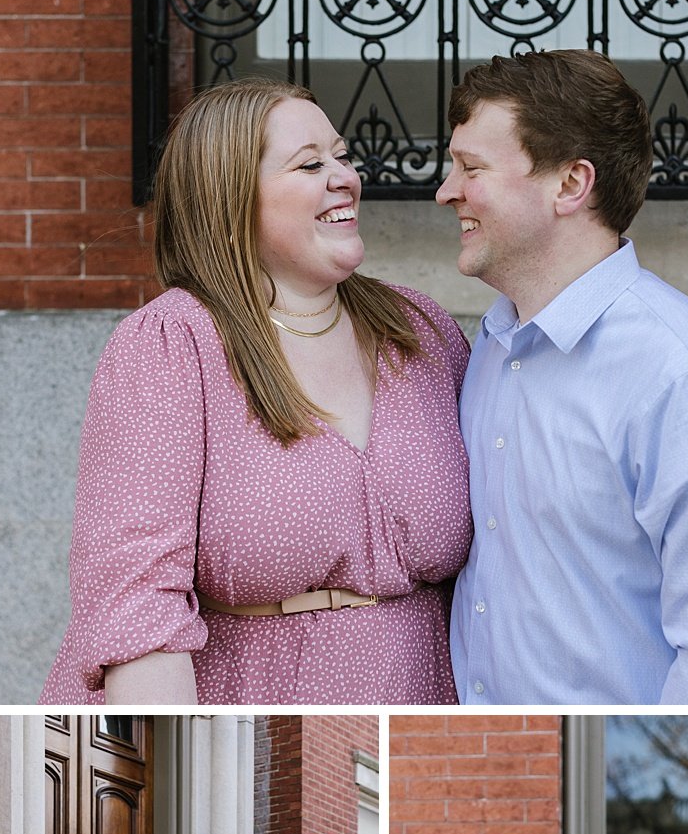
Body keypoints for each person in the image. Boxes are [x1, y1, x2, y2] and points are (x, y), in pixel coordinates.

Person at [40, 78, 472, 708]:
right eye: (309, 164)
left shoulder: (422, 331)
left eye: (343, 157)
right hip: (246, 710)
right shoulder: (170, 346)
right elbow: (136, 609)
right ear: (230, 198)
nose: (345, 178)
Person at [437, 49, 688, 706]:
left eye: (471, 168)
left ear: (570, 184)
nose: (446, 190)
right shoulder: (487, 348)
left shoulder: (687, 379)